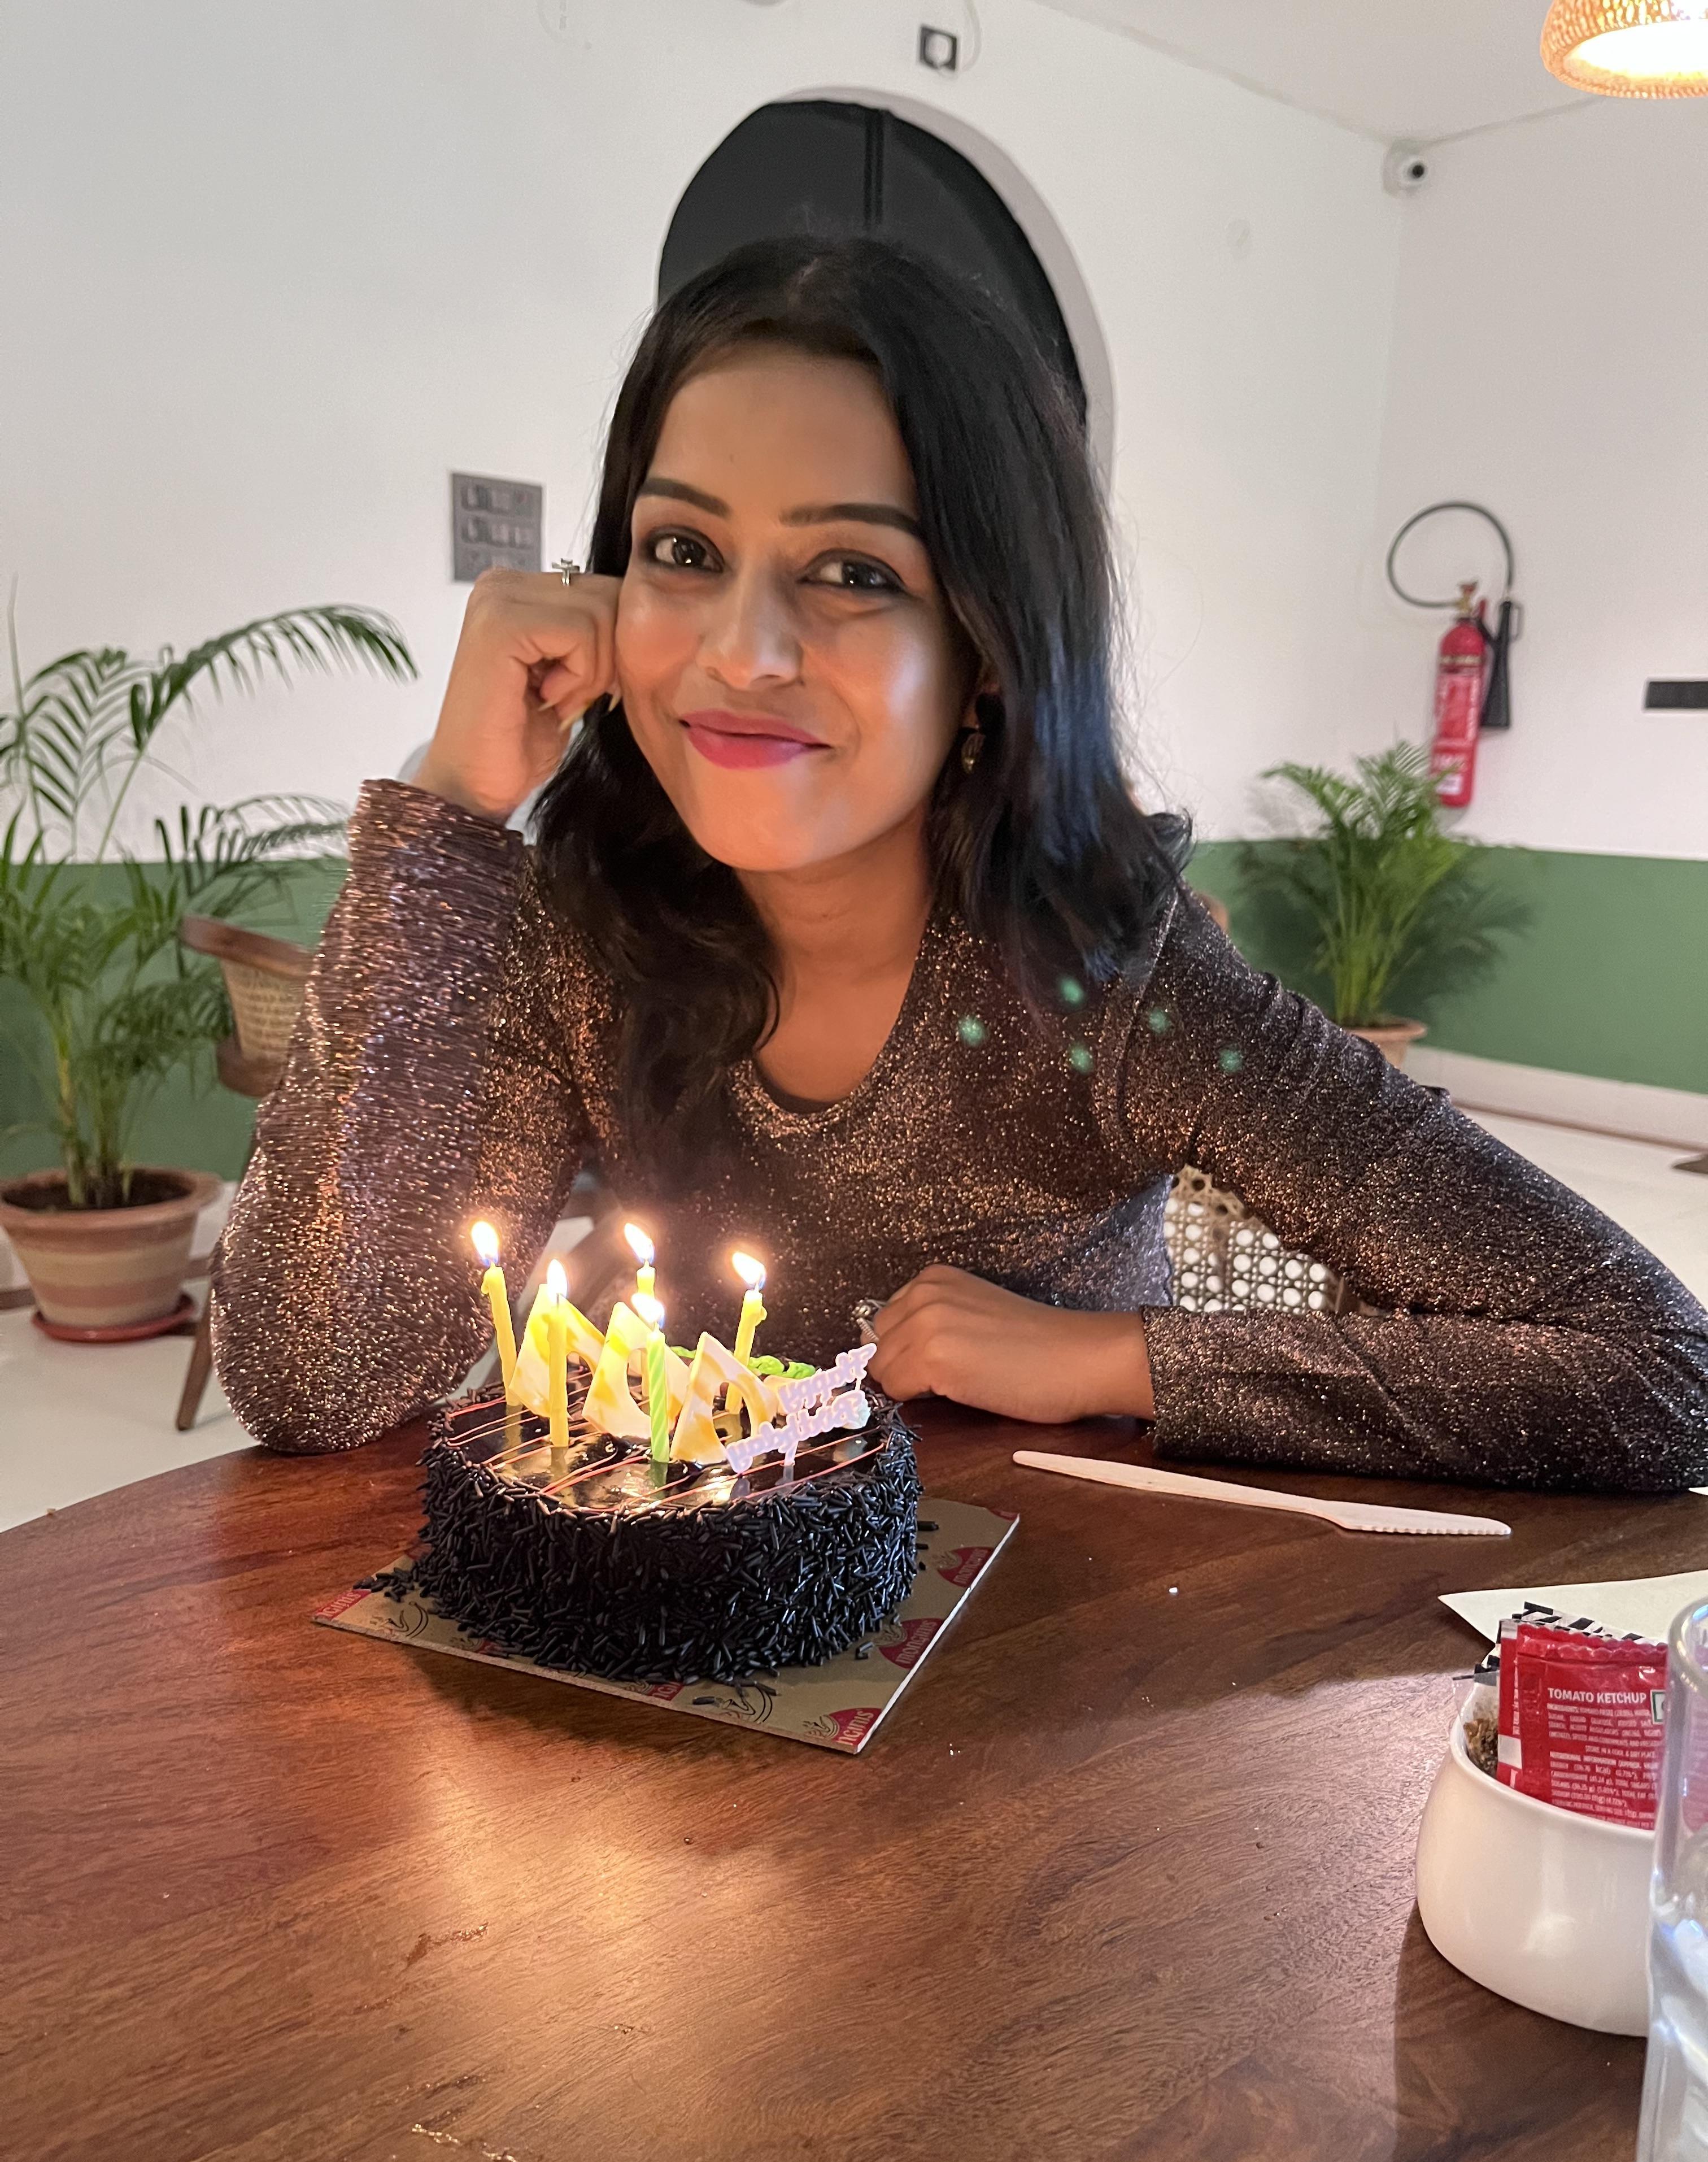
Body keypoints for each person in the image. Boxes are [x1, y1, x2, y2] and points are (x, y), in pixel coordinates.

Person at [213, 236, 1708, 1492]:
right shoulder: (585, 931)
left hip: (1044, 1660)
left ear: (986, 648)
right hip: (678, 1659)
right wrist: (447, 814)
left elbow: (1658, 1369)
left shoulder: (1114, 986)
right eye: (684, 552)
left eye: (854, 572)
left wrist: (1111, 1360)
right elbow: (313, 1379)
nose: (742, 651)